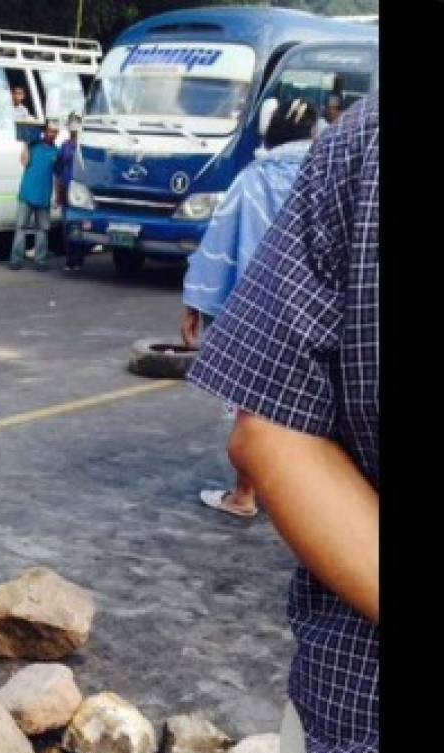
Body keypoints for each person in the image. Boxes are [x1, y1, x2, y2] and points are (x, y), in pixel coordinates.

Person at [188, 94, 379, 753]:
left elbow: (268, 432)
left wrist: (200, 312)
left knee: (268, 431)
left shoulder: (349, 146)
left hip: (356, 719)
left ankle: (239, 499)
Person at [181, 98, 319, 518]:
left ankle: (245, 495)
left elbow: (218, 243)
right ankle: (319, 504)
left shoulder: (252, 180)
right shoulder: (328, 178)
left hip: (259, 311)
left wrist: (195, 304)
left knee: (254, 402)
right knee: (309, 408)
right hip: (318, 315)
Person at [8, 120, 60, 272]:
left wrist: (57, 196)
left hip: (43, 197)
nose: (52, 134)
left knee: (42, 230)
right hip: (26, 194)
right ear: (45, 131)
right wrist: (25, 143)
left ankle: (40, 260)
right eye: (50, 131)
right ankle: (16, 259)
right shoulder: (33, 145)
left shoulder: (56, 152)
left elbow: (57, 176)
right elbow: (24, 162)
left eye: (55, 132)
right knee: (20, 228)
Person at [56, 113, 84, 272]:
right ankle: (69, 259)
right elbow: (58, 171)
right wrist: (58, 193)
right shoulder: (65, 145)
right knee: (67, 224)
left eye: (76, 123)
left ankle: (78, 259)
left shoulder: (83, 145)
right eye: (72, 123)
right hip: (66, 187)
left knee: (78, 224)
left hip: (80, 189)